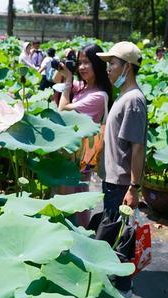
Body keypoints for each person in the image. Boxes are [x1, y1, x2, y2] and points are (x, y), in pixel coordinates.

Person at [53, 43, 113, 227]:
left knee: (75, 199)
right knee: (68, 195)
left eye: (87, 62)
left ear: (97, 63)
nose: (82, 67)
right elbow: (56, 81)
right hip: (71, 152)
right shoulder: (83, 87)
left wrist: (69, 78)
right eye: (79, 63)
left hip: (82, 155)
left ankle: (79, 234)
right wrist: (65, 65)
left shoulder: (99, 95)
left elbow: (62, 110)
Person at [95, 41, 148, 223]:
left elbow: (137, 148)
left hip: (121, 184)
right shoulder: (124, 95)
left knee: (115, 240)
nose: (108, 69)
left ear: (127, 67)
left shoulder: (133, 100)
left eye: (113, 64)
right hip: (113, 180)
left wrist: (134, 187)